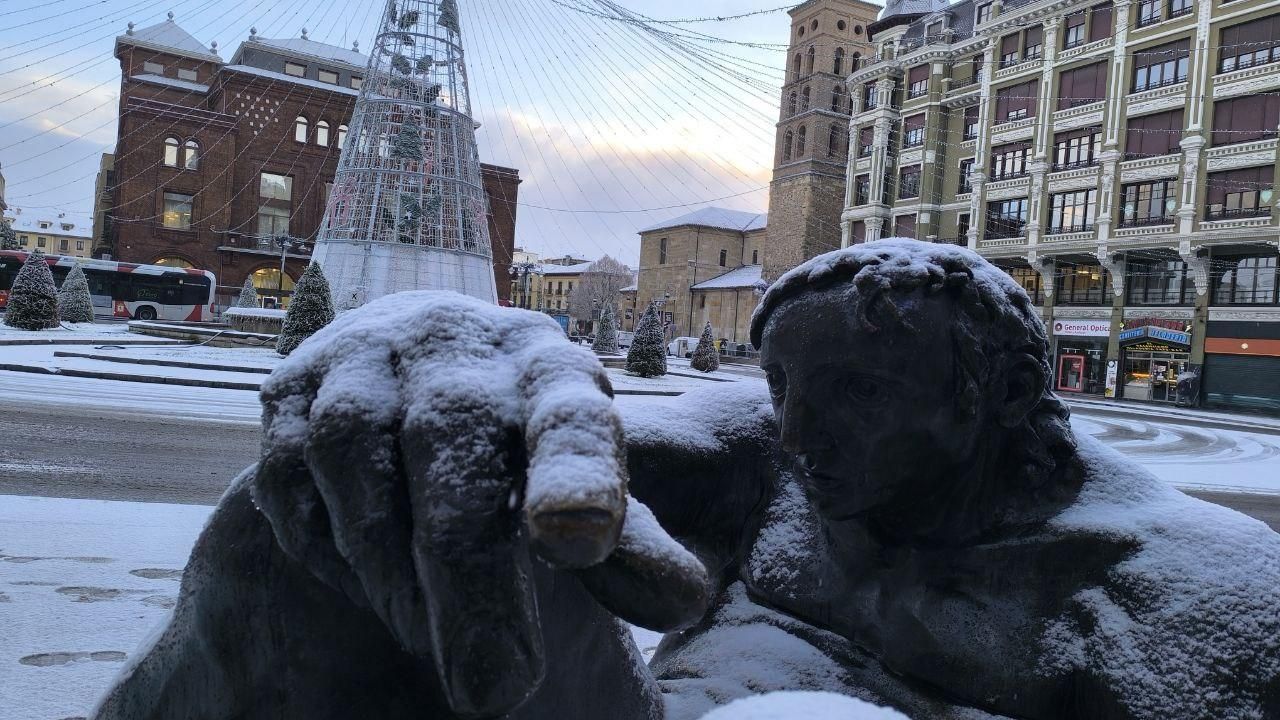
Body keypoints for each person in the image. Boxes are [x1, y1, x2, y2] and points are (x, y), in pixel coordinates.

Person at [94, 241, 1280, 720]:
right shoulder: (766, 469)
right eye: (785, 389)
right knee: (317, 534)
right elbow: (520, 461)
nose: (806, 433)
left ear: (1001, 399)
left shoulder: (1192, 601)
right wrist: (452, 376)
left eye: (859, 395)